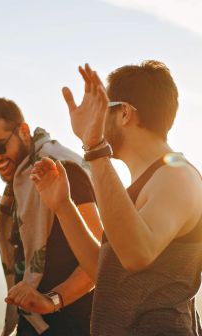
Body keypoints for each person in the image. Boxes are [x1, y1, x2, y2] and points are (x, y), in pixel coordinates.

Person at [28, 61, 202, 335]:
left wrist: (94, 147)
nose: (97, 120)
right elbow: (108, 274)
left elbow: (137, 254)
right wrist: (63, 205)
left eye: (102, 110)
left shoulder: (177, 176)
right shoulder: (146, 183)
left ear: (123, 113)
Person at [0, 98, 102, 336]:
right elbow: (43, 227)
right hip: (35, 321)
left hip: (71, 323)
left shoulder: (61, 169)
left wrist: (52, 301)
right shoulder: (24, 178)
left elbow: (101, 258)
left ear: (23, 131)